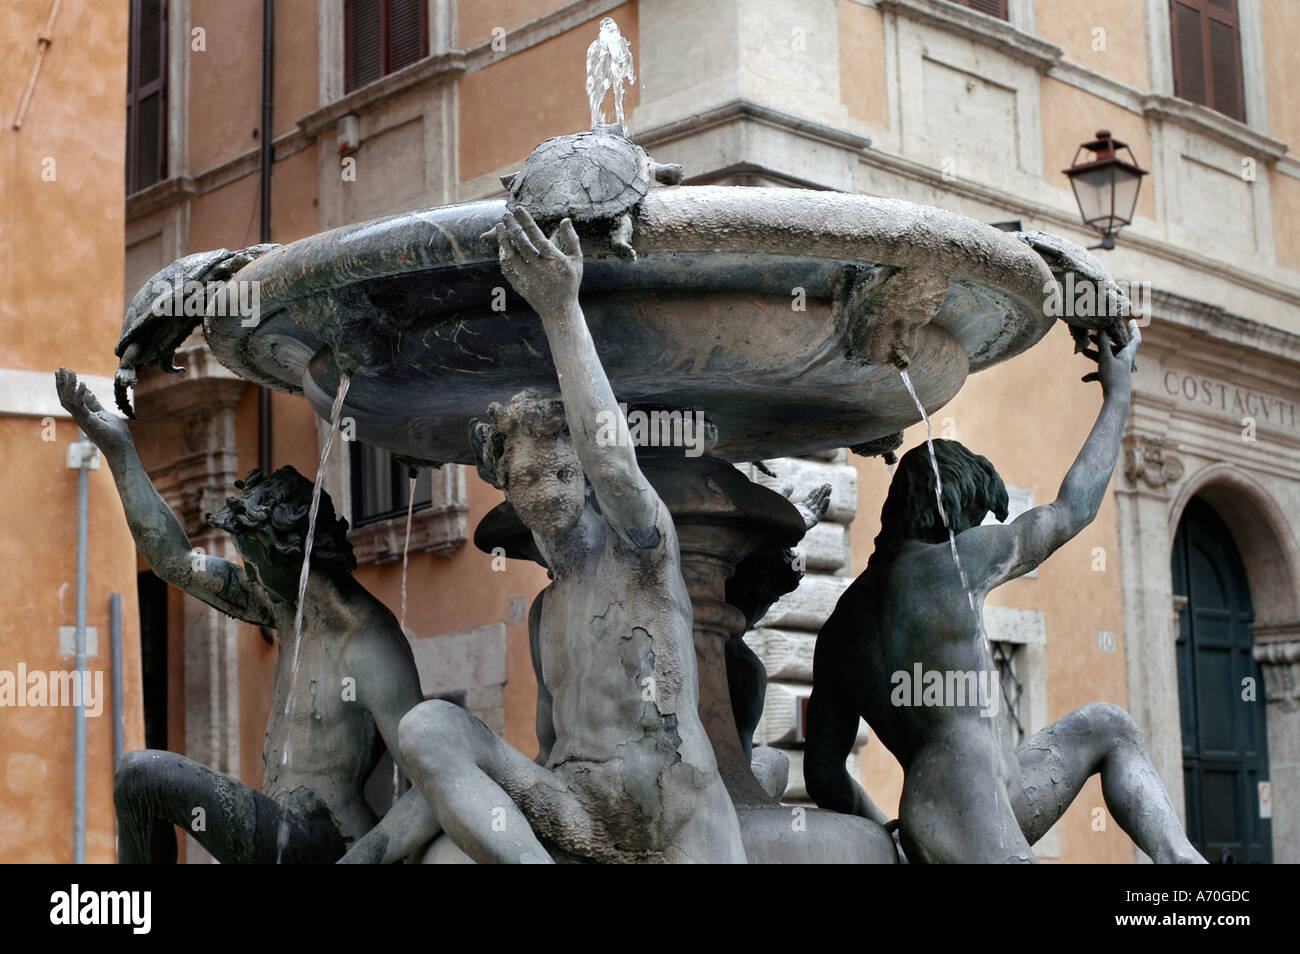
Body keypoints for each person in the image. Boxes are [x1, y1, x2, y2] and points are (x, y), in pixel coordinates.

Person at [358, 210, 746, 864]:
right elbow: (544, 747)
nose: (549, 490)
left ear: (587, 474)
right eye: (531, 474)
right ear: (505, 482)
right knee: (429, 730)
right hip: (580, 816)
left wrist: (560, 309)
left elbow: (617, 464)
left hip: (675, 816)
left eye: (566, 470)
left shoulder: (643, 554)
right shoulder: (544, 611)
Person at [803, 321, 1205, 863]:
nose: (978, 532)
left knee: (1110, 726)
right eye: (974, 521)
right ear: (956, 513)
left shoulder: (837, 629)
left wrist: (888, 833)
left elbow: (825, 776)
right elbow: (1072, 509)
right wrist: (1119, 393)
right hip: (967, 800)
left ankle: (1182, 864)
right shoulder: (956, 560)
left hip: (983, 793)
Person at [55, 369, 425, 863]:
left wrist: (363, 860)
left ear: (290, 554)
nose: (245, 571)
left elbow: (428, 786)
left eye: (251, 560)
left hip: (326, 840)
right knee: (140, 781)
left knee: (143, 775)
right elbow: (174, 562)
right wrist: (120, 449)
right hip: (282, 827)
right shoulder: (284, 606)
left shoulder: (369, 643)